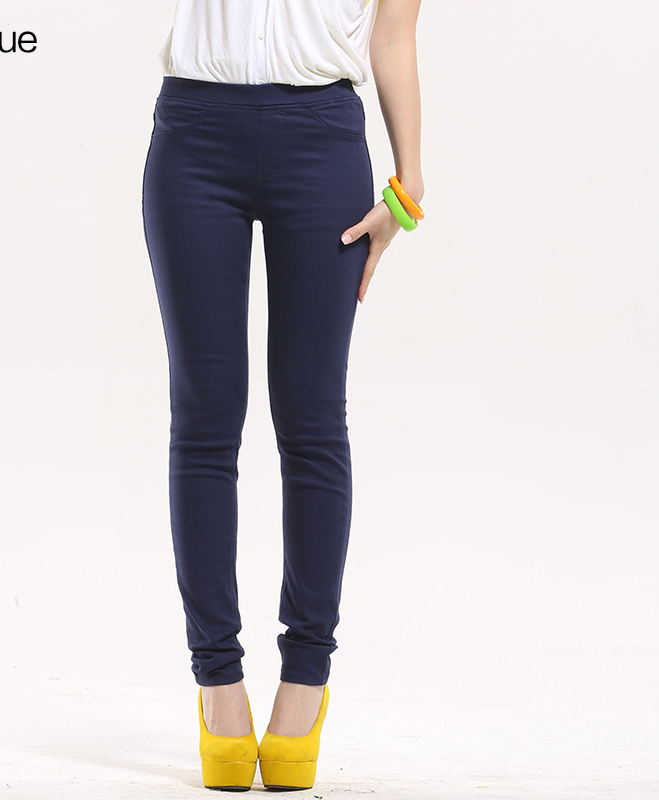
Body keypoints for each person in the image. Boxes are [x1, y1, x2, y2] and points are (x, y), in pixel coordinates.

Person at [141, 0, 424, 790]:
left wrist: (407, 184)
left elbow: (394, 33)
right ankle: (218, 683)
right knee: (204, 418)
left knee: (312, 420)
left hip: (322, 138)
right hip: (195, 133)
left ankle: (305, 679)